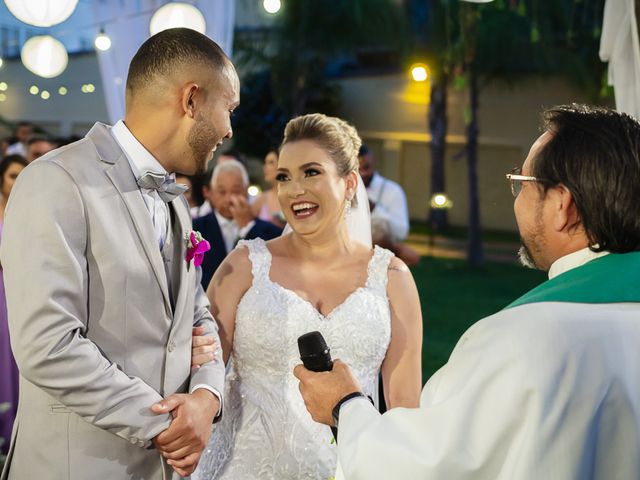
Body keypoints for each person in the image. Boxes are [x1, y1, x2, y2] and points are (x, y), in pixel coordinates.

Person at [295, 104, 640, 479]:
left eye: (521, 184)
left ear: (563, 206)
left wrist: (344, 405)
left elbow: (421, 467)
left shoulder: (526, 338)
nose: (516, 200)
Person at [0, 28, 239, 480]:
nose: (229, 129)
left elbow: (198, 314)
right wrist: (168, 423)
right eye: (228, 108)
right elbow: (46, 345)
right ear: (191, 100)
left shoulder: (177, 202)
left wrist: (208, 397)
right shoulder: (55, 180)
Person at [192, 113, 423, 479]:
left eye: (311, 172)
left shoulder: (392, 278)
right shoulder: (244, 266)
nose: (293, 190)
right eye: (284, 177)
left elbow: (404, 411)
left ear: (349, 184)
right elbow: (200, 371)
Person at [193, 159, 281, 290]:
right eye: (222, 192)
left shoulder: (271, 232)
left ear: (246, 190)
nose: (229, 199)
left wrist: (249, 227)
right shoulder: (195, 228)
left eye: (236, 191)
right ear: (210, 193)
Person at [0, 155, 27, 456]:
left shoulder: (29, 213)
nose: (16, 182)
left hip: (19, 296)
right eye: (11, 175)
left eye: (21, 175)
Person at [251, 149, 287, 229]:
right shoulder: (261, 200)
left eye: (271, 162)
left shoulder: (292, 197)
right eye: (265, 163)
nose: (265, 167)